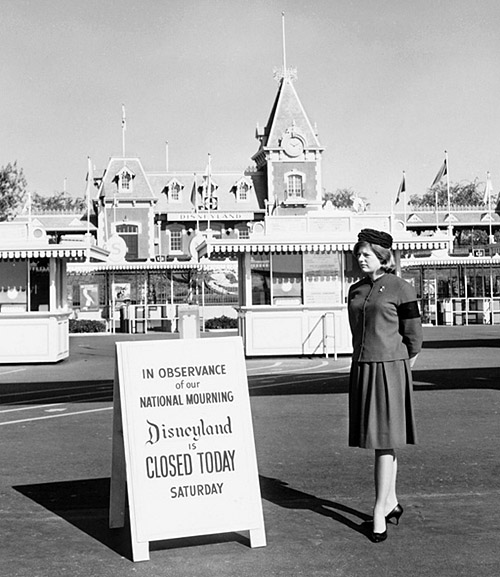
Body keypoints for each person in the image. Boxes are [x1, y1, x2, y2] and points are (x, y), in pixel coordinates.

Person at [347, 228, 423, 543]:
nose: (360, 259)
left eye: (366, 254)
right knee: (382, 439)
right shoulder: (354, 290)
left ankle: (379, 511)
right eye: (358, 254)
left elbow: (414, 335)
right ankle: (390, 501)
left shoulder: (401, 288)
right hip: (362, 367)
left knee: (383, 440)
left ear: (382, 256)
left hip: (390, 369)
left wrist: (401, 365)